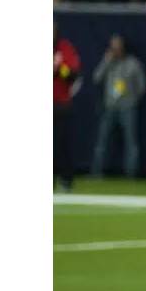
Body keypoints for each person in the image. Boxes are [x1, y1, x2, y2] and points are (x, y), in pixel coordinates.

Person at [90, 34, 146, 177]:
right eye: (113, 47)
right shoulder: (108, 62)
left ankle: (131, 173)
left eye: (117, 46)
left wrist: (132, 100)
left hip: (128, 108)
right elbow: (96, 78)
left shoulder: (133, 64)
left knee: (131, 143)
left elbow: (142, 86)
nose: (115, 50)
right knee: (102, 142)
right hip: (109, 108)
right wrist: (106, 61)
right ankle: (96, 172)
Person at [53, 24, 82, 192]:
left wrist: (59, 70)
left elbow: (73, 73)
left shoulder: (64, 48)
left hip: (60, 103)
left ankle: (65, 179)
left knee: (62, 144)